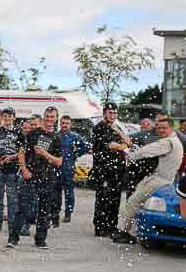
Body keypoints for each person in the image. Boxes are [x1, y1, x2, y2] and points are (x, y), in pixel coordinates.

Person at [113, 114, 183, 244]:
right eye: (159, 128)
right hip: (165, 180)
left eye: (164, 128)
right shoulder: (175, 141)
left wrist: (132, 156)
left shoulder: (168, 142)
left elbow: (148, 150)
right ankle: (132, 231)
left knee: (133, 202)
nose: (161, 130)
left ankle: (125, 233)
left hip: (158, 180)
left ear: (171, 128)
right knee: (139, 204)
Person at [8, 107, 62, 249]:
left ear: (56, 118)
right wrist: (24, 170)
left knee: (44, 210)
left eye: (52, 117)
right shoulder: (34, 134)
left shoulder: (57, 138)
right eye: (48, 116)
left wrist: (45, 153)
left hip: (48, 178)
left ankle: (40, 239)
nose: (50, 119)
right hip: (31, 176)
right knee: (23, 208)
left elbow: (59, 161)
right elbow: (21, 153)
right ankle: (13, 238)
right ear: (44, 117)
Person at [91, 102, 132, 237]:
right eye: (110, 112)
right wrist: (123, 144)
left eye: (115, 113)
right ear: (104, 113)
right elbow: (115, 146)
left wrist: (118, 130)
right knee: (103, 199)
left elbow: (129, 142)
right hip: (104, 170)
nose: (113, 115)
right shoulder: (99, 127)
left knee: (115, 199)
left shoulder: (116, 127)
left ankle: (112, 227)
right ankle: (100, 227)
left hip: (117, 170)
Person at [0, 108, 21, 231]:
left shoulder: (19, 132)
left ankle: (12, 223)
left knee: (12, 200)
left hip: (13, 170)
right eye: (5, 116)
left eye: (10, 116)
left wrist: (12, 156)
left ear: (14, 117)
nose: (7, 118)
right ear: (2, 118)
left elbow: (23, 150)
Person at [53, 115, 91, 224]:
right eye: (63, 123)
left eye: (67, 123)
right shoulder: (56, 135)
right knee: (56, 192)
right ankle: (55, 212)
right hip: (57, 167)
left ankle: (68, 213)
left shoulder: (75, 136)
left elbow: (86, 146)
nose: (64, 125)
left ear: (71, 124)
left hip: (68, 167)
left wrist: (75, 154)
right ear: (60, 123)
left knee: (69, 192)